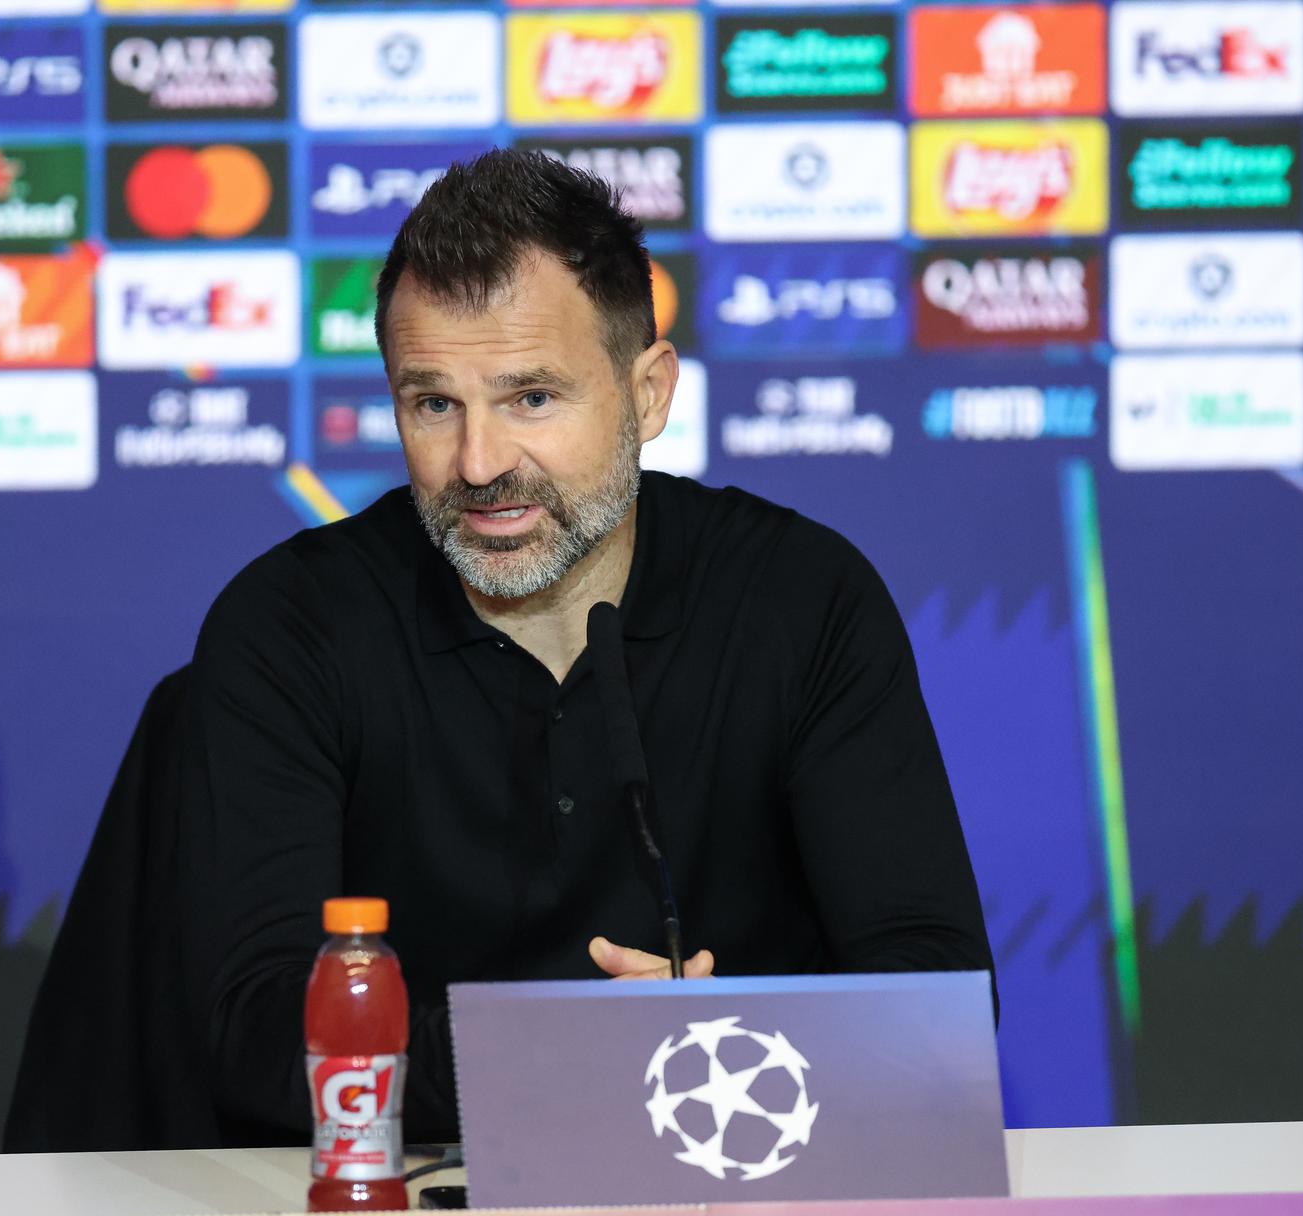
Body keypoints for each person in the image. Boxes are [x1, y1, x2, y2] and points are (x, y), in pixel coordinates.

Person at [177, 147, 993, 1146]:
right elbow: (254, 1037)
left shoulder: (801, 601)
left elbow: (940, 999)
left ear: (647, 394)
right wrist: (574, 1056)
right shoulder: (291, 626)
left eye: (532, 399)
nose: (479, 464)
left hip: (738, 1204)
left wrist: (696, 1052)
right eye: (434, 404)